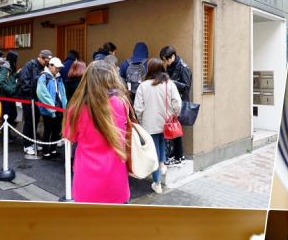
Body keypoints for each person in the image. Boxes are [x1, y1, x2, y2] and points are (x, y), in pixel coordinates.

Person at [62, 61, 131, 204]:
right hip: (116, 178)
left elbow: (70, 136)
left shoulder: (75, 109)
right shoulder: (120, 103)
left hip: (86, 179)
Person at [132, 58, 181, 194]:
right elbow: (177, 103)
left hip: (149, 124)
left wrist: (141, 122)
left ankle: (157, 183)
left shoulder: (143, 86)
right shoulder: (169, 84)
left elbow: (138, 108)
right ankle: (162, 164)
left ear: (150, 69)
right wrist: (174, 115)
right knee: (161, 143)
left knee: (153, 152)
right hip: (165, 122)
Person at [159, 45, 192, 165]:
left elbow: (187, 87)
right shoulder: (170, 67)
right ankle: (176, 155)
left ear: (173, 56)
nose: (165, 62)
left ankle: (178, 155)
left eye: (166, 59)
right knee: (172, 129)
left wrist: (172, 83)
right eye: (163, 60)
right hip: (170, 103)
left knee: (176, 129)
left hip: (179, 102)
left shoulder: (183, 68)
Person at [16, 49, 52, 157]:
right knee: (29, 121)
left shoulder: (40, 67)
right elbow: (25, 84)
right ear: (40, 57)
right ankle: (27, 145)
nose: (47, 63)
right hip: (28, 99)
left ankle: (33, 141)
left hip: (35, 99)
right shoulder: (29, 66)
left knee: (35, 121)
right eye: (46, 61)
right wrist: (34, 93)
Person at [36, 57, 67, 158]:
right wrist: (51, 106)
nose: (58, 69)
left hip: (58, 108)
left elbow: (62, 93)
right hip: (48, 109)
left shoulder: (58, 77)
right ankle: (45, 152)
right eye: (56, 67)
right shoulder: (43, 77)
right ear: (50, 66)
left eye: (59, 68)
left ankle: (53, 150)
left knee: (56, 130)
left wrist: (64, 105)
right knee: (48, 130)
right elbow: (42, 93)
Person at [0, 52, 20, 133]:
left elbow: (10, 78)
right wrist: (10, 90)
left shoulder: (9, 67)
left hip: (10, 96)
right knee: (7, 115)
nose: (16, 61)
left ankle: (7, 132)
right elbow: (0, 82)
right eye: (16, 59)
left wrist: (17, 74)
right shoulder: (5, 68)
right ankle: (5, 134)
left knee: (12, 114)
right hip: (6, 96)